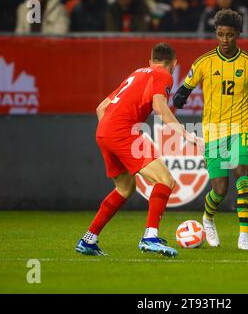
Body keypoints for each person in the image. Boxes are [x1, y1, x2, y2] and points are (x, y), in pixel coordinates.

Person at [76, 43, 203, 257]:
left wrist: (110, 134)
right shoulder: (164, 75)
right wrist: (186, 135)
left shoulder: (136, 73)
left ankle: (89, 239)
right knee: (165, 180)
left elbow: (101, 108)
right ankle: (150, 237)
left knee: (125, 188)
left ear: (150, 61)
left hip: (104, 132)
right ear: (174, 64)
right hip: (122, 132)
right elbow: (159, 107)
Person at [173, 9, 248, 250]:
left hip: (242, 127)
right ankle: (208, 218)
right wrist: (179, 98)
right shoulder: (204, 62)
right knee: (219, 190)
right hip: (214, 132)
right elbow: (184, 89)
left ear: (238, 34)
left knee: (242, 174)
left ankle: (243, 237)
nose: (225, 40)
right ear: (216, 33)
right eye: (220, 34)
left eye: (229, 35)